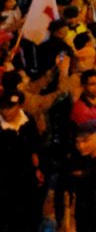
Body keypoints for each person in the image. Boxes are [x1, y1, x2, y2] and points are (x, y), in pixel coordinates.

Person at [0, 91, 44, 232]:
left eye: (10, 108)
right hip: (5, 181)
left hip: (27, 178)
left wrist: (37, 168)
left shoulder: (27, 120)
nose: (6, 112)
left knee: (29, 215)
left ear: (19, 106)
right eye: (2, 108)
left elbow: (35, 145)